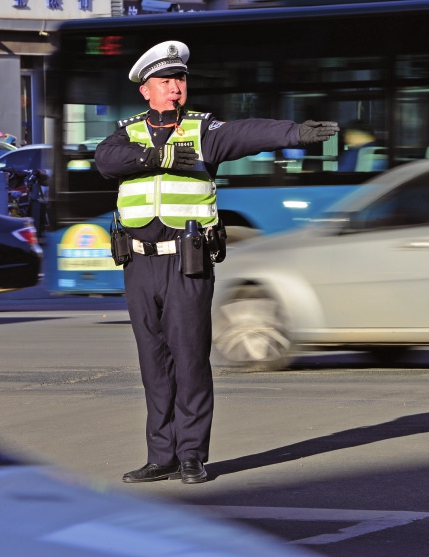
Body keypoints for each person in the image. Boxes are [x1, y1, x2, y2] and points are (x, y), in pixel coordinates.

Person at [95, 40, 338, 485]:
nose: (175, 88)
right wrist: (155, 156)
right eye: (165, 82)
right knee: (153, 362)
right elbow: (105, 162)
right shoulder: (126, 134)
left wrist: (296, 134)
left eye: (180, 80)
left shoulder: (203, 131)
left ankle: (190, 455)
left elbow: (249, 132)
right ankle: (160, 456)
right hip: (139, 265)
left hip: (186, 264)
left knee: (189, 360)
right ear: (145, 90)